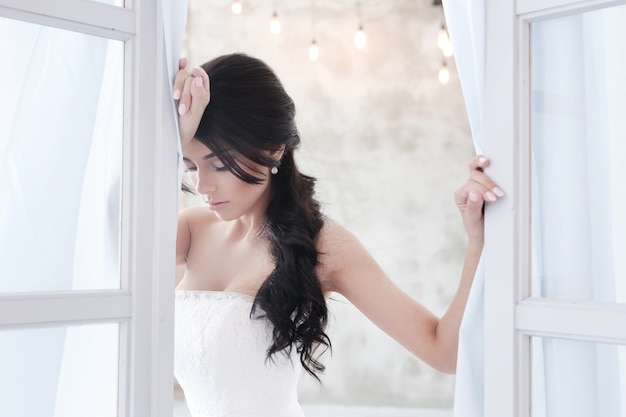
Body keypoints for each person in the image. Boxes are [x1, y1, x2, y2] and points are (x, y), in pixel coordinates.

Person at [172, 53, 503, 417]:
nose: (202, 185)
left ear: (273, 149)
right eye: (188, 165)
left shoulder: (323, 244)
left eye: (219, 165)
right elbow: (110, 233)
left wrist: (478, 242)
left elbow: (445, 350)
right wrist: (174, 132)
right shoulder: (193, 228)